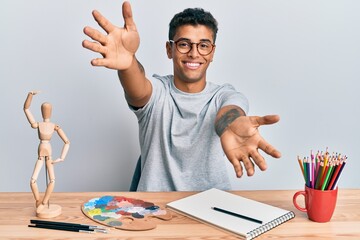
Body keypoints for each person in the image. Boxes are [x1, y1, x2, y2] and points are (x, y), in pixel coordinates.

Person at [82, 1, 281, 191]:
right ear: (169, 49)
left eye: (203, 45)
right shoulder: (158, 92)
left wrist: (232, 124)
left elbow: (229, 112)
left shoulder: (224, 95)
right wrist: (129, 63)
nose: (194, 53)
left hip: (212, 207)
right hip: (155, 210)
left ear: (212, 52)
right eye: (184, 44)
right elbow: (138, 89)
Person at [24, 91, 70, 215]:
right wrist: (30, 96)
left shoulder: (54, 126)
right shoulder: (38, 124)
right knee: (33, 180)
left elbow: (67, 141)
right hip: (40, 155)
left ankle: (44, 202)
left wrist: (61, 157)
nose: (46, 112)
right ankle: (38, 200)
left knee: (52, 180)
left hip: (49, 156)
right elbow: (26, 109)